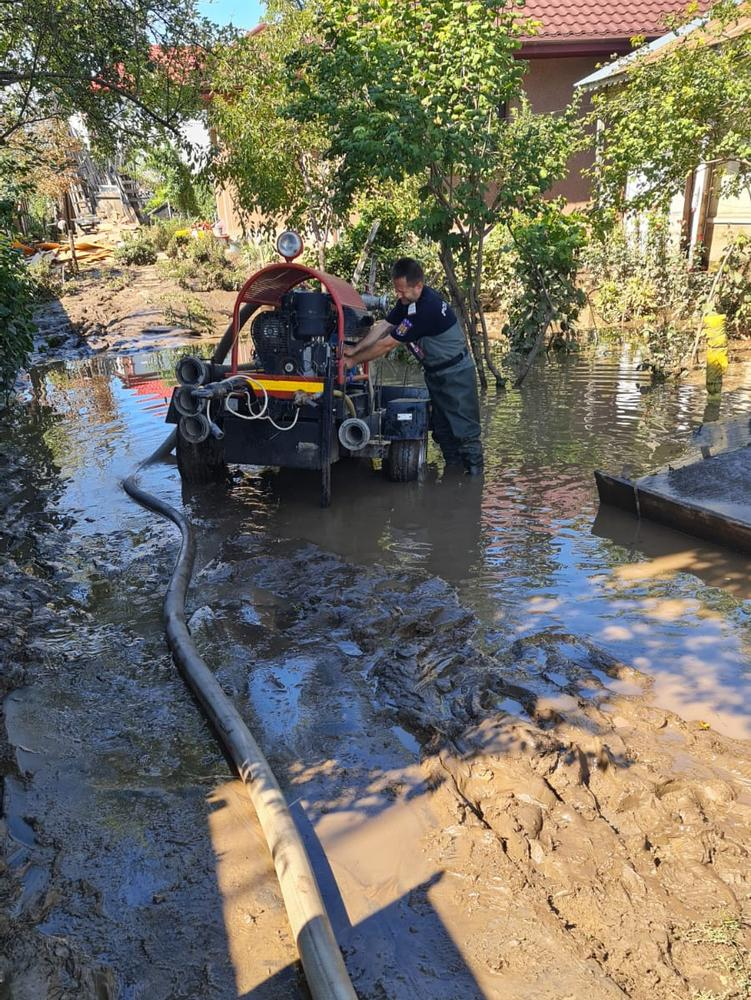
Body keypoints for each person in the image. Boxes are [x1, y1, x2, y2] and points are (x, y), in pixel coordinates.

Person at [343, 257, 483, 475]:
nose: (398, 295)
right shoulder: (409, 303)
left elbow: (387, 344)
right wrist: (355, 349)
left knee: (466, 434)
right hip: (436, 373)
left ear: (418, 286)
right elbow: (385, 326)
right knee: (442, 431)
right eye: (397, 290)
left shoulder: (426, 309)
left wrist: (352, 361)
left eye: (402, 291)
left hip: (456, 374)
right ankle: (452, 479)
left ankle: (474, 482)